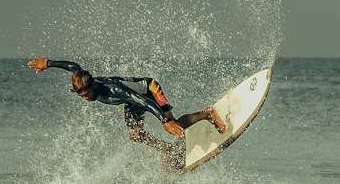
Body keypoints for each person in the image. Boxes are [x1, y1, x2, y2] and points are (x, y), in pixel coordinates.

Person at [27, 58, 226, 153]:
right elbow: (73, 67)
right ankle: (168, 150)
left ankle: (207, 113)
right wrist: (49, 63)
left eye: (88, 95)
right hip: (132, 100)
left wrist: (164, 119)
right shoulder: (83, 77)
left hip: (149, 90)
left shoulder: (114, 90)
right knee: (136, 135)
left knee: (172, 124)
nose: (86, 99)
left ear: (94, 86)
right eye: (82, 96)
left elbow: (142, 100)